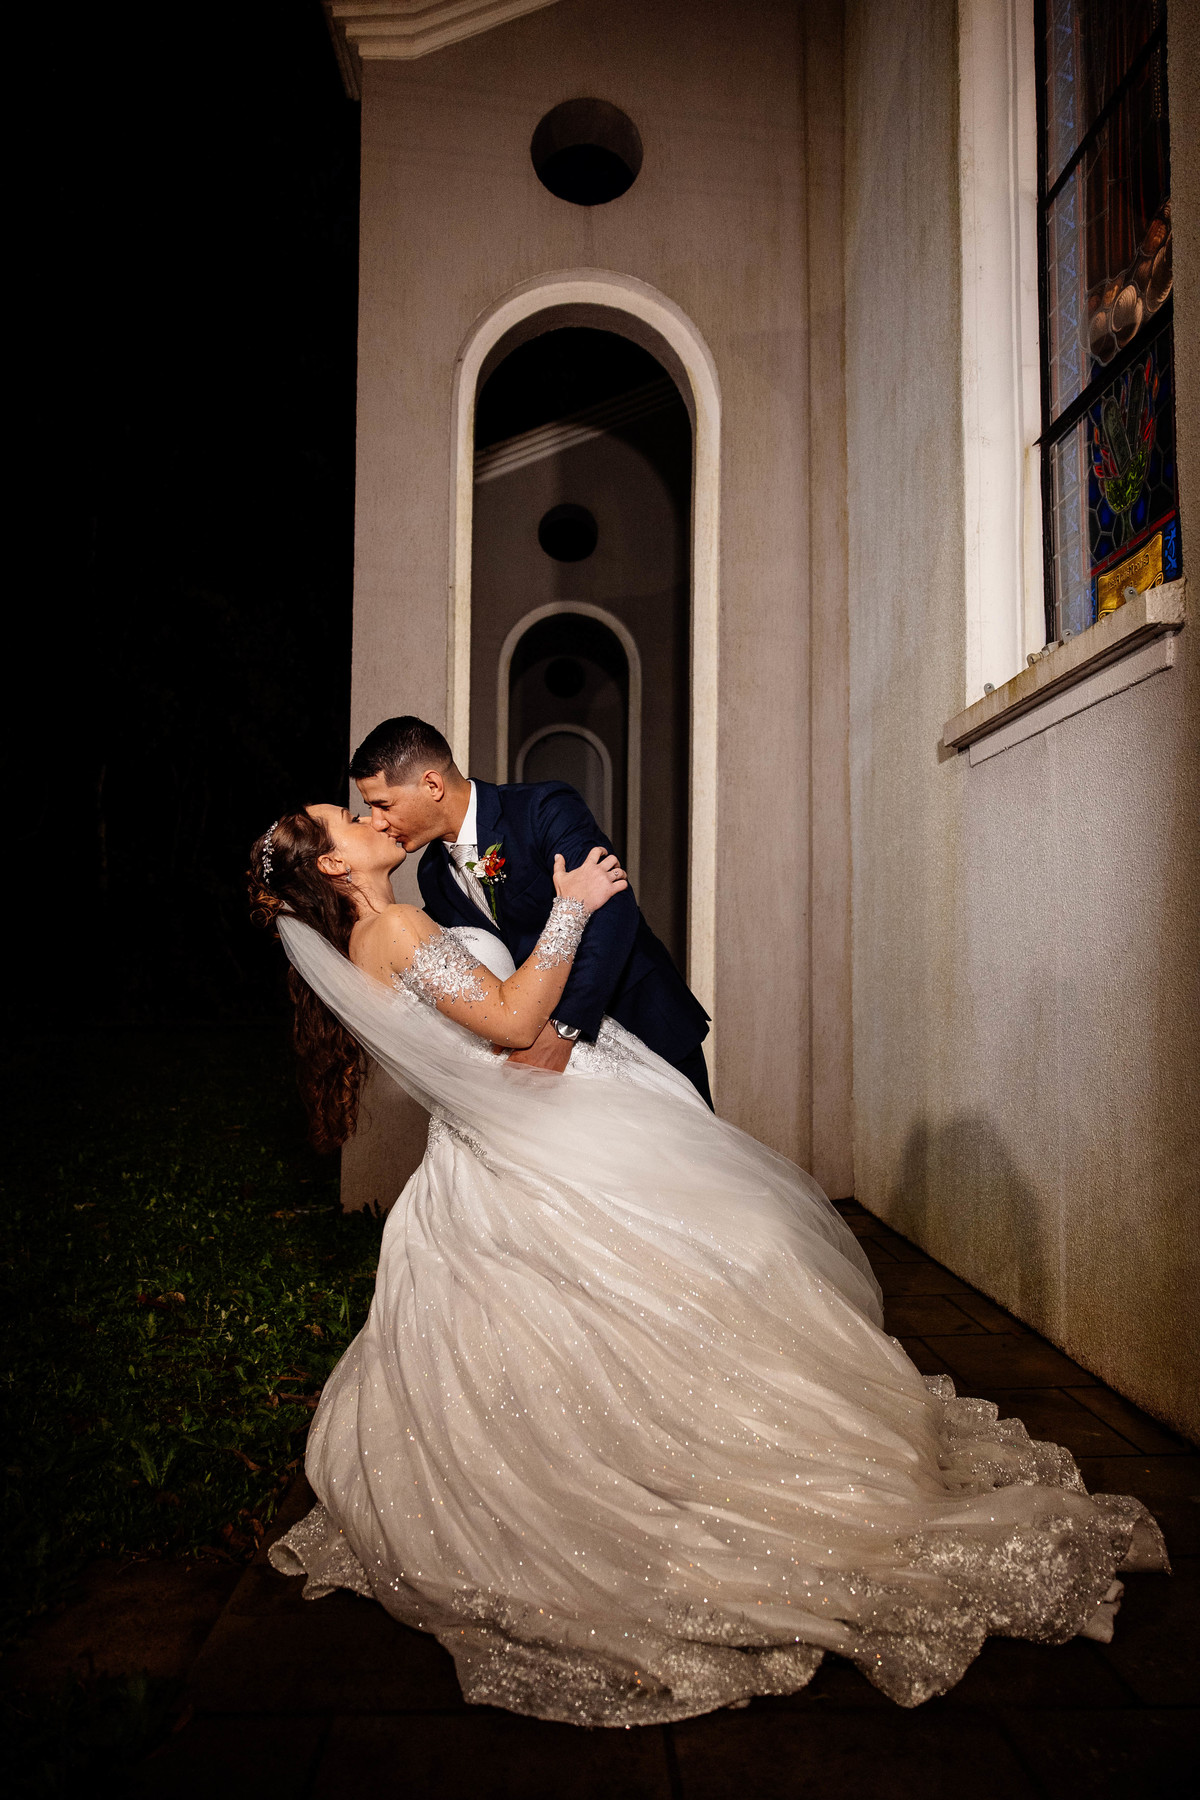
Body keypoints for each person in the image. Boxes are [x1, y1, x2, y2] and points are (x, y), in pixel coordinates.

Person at [247, 807, 1168, 1729]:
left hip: (478, 1158)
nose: (367, 817)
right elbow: (519, 1025)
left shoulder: (368, 944)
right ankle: (724, 1467)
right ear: (332, 866)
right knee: (711, 1270)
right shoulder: (397, 928)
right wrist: (571, 907)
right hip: (528, 1147)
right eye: (346, 818)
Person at [349, 715, 714, 1103]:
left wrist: (563, 1030)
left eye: (383, 805)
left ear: (433, 785)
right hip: (556, 1074)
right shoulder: (432, 874)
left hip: (642, 1021)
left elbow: (613, 912)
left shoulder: (541, 808)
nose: (378, 822)